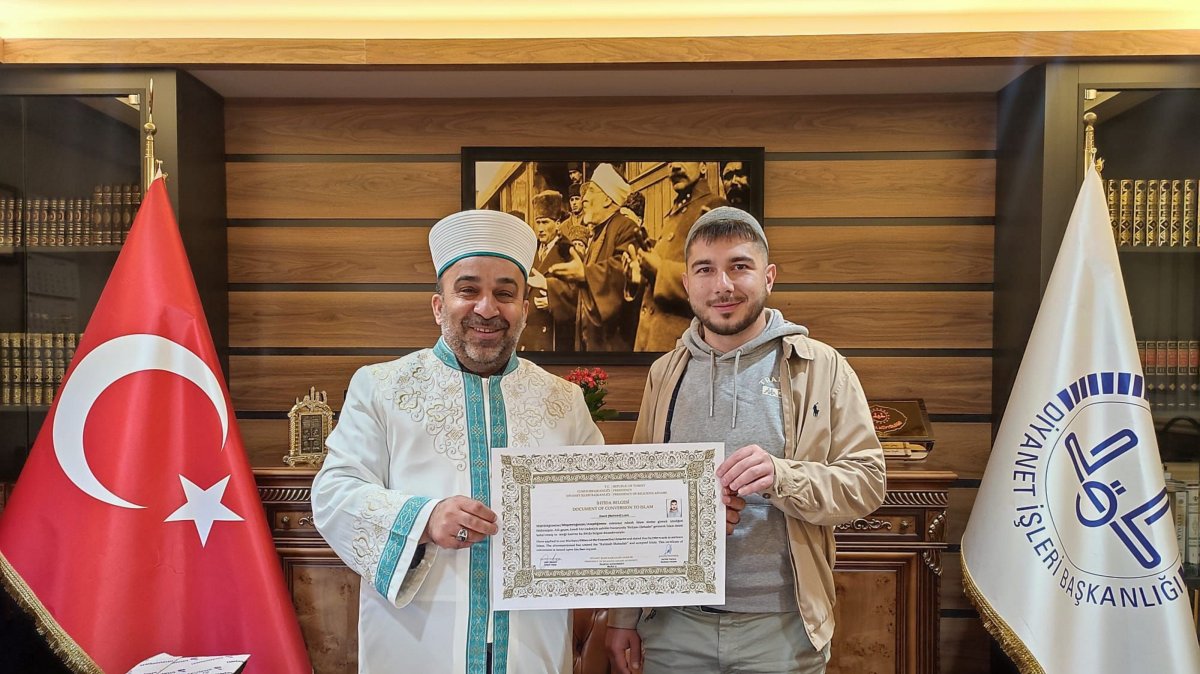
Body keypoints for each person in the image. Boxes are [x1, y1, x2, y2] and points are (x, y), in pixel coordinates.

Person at [311, 209, 604, 674]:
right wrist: (425, 518)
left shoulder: (563, 402)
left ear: (525, 309)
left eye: (505, 293)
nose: (487, 308)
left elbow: (603, 504)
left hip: (531, 639)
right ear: (437, 305)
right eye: (468, 290)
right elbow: (333, 494)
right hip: (418, 641)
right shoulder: (382, 388)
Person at [606, 206, 887, 674]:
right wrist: (622, 618)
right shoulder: (664, 374)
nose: (723, 285)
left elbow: (867, 483)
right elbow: (640, 500)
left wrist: (782, 476)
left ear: (768, 276)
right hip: (673, 627)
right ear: (688, 283)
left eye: (739, 266)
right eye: (705, 270)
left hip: (782, 629)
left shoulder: (821, 367)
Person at [632, 161, 725, 352]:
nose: (674, 166)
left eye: (684, 158)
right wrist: (639, 270)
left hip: (682, 346)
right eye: (670, 161)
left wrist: (660, 270)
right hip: (653, 339)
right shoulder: (675, 213)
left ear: (703, 167)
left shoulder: (714, 208)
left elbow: (717, 282)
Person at [548, 163, 640, 351]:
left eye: (590, 191)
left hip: (611, 346)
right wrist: (547, 286)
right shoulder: (597, 233)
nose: (583, 199)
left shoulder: (626, 228)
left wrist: (585, 274)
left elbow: (624, 273)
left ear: (607, 200)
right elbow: (584, 293)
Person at [519, 190, 576, 352]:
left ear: (557, 224)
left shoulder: (567, 251)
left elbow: (577, 293)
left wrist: (553, 301)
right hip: (528, 332)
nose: (540, 228)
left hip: (553, 335)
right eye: (538, 222)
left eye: (545, 222)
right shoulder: (531, 250)